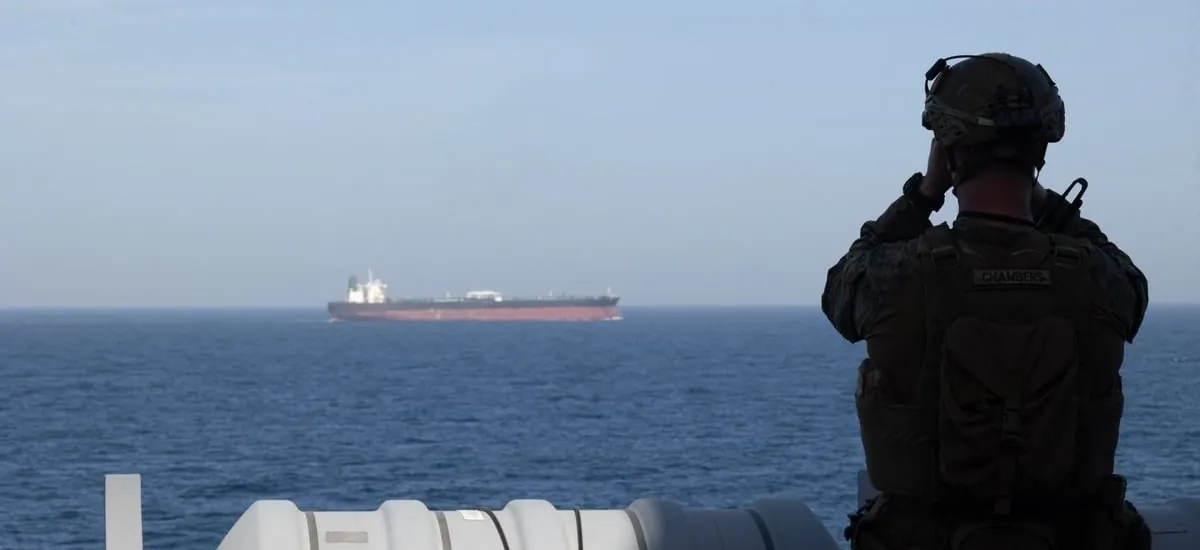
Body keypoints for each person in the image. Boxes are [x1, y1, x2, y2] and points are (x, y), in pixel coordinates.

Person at [821, 53, 1151, 550]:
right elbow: (1134, 289)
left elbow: (839, 294)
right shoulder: (1099, 276)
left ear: (949, 154)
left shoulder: (898, 273)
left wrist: (925, 194)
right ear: (1040, 150)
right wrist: (1047, 204)